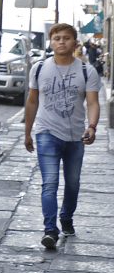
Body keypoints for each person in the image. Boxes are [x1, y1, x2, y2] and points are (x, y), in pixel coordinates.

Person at [25, 23, 102, 250]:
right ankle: (50, 229)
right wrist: (27, 131)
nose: (61, 42)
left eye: (66, 38)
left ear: (75, 42)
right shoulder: (39, 69)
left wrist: (93, 126)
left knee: (73, 183)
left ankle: (66, 217)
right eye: (57, 38)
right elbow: (32, 101)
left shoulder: (87, 71)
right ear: (51, 42)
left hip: (75, 136)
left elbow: (93, 102)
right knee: (49, 183)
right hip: (46, 132)